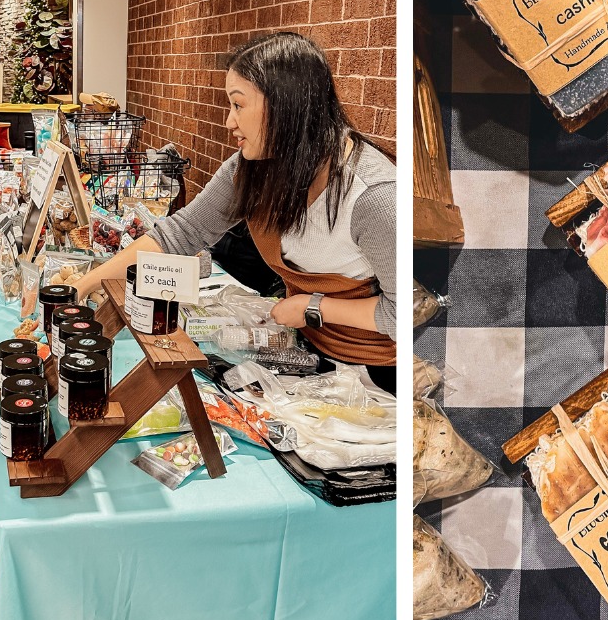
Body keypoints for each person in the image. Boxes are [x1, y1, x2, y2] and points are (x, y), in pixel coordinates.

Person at [75, 32, 400, 394]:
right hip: (305, 355)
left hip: (376, 377)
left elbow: (408, 315)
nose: (230, 122)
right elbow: (180, 233)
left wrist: (313, 306)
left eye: (239, 104)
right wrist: (86, 283)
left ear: (285, 106)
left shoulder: (374, 196)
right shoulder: (251, 168)